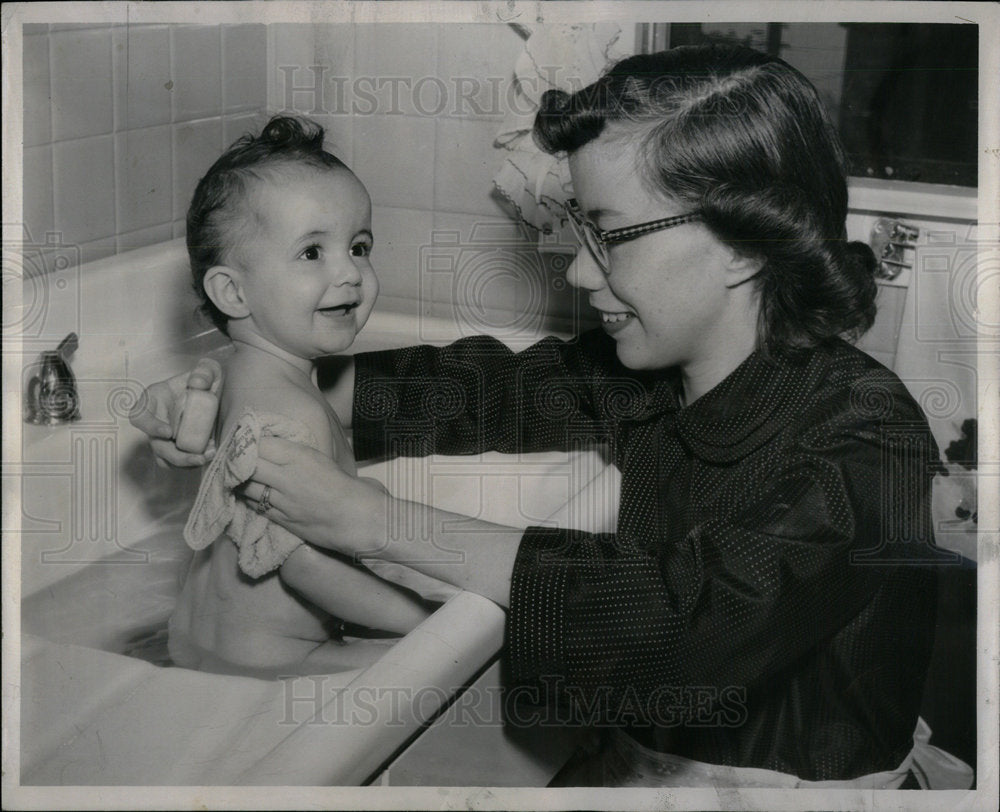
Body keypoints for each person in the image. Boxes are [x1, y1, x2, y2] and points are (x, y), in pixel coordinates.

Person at [133, 46, 947, 786]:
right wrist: (245, 376)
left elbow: (686, 628)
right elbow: (469, 389)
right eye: (580, 231)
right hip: (646, 764)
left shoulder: (868, 437)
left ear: (743, 242)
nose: (583, 280)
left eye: (613, 236)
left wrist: (372, 520)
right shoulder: (653, 377)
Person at [165, 115, 431, 678]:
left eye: (359, 247)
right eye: (313, 253)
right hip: (278, 659)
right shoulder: (297, 414)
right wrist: (426, 619)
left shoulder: (234, 375)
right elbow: (307, 566)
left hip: (192, 640)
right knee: (459, 665)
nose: (351, 274)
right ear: (233, 291)